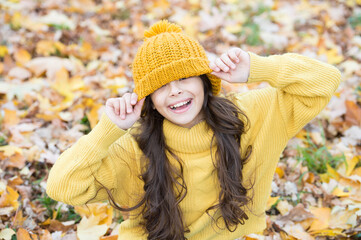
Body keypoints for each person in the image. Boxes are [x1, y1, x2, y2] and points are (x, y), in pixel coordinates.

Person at [46, 19, 341, 240]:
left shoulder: (252, 116)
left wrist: (258, 67)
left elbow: (325, 81)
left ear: (204, 80)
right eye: (160, 85)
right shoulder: (132, 147)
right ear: (148, 99)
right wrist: (107, 131)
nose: (174, 91)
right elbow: (61, 186)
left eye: (185, 77)